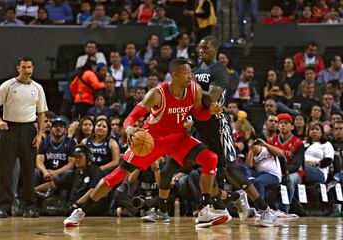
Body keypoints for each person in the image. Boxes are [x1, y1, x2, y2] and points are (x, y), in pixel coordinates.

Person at [64, 58, 226, 227]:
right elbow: (132, 117)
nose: (190, 76)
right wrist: (129, 129)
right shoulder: (157, 94)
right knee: (117, 176)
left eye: (190, 72)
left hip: (178, 138)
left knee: (210, 158)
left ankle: (205, 210)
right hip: (152, 141)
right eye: (186, 73)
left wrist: (210, 111)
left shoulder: (195, 89)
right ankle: (80, 211)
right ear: (174, 75)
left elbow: (199, 115)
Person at [193, 35, 276, 226]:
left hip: (217, 125)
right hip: (199, 127)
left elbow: (212, 97)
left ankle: (265, 210)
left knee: (231, 170)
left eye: (205, 48)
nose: (201, 51)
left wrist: (193, 95)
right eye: (199, 48)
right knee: (205, 171)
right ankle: (222, 206)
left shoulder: (219, 69)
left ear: (215, 50)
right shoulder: (195, 71)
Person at [0, 57, 48, 218]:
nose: (27, 70)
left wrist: (40, 134)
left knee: (29, 170)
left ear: (33, 68)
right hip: (9, 129)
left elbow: (41, 112)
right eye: (24, 67)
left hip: (29, 129)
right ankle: (4, 206)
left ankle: (29, 206)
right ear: (18, 68)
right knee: (6, 170)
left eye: (29, 67)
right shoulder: (8, 85)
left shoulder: (38, 88)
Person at [34, 116, 76, 187]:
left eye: (61, 126)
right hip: (46, 173)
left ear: (65, 130)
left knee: (69, 173)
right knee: (35, 172)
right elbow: (39, 161)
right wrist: (45, 172)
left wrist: (56, 172)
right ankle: (31, 195)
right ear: (50, 129)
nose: (58, 128)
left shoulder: (70, 142)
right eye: (55, 126)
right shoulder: (44, 142)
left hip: (62, 174)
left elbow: (71, 164)